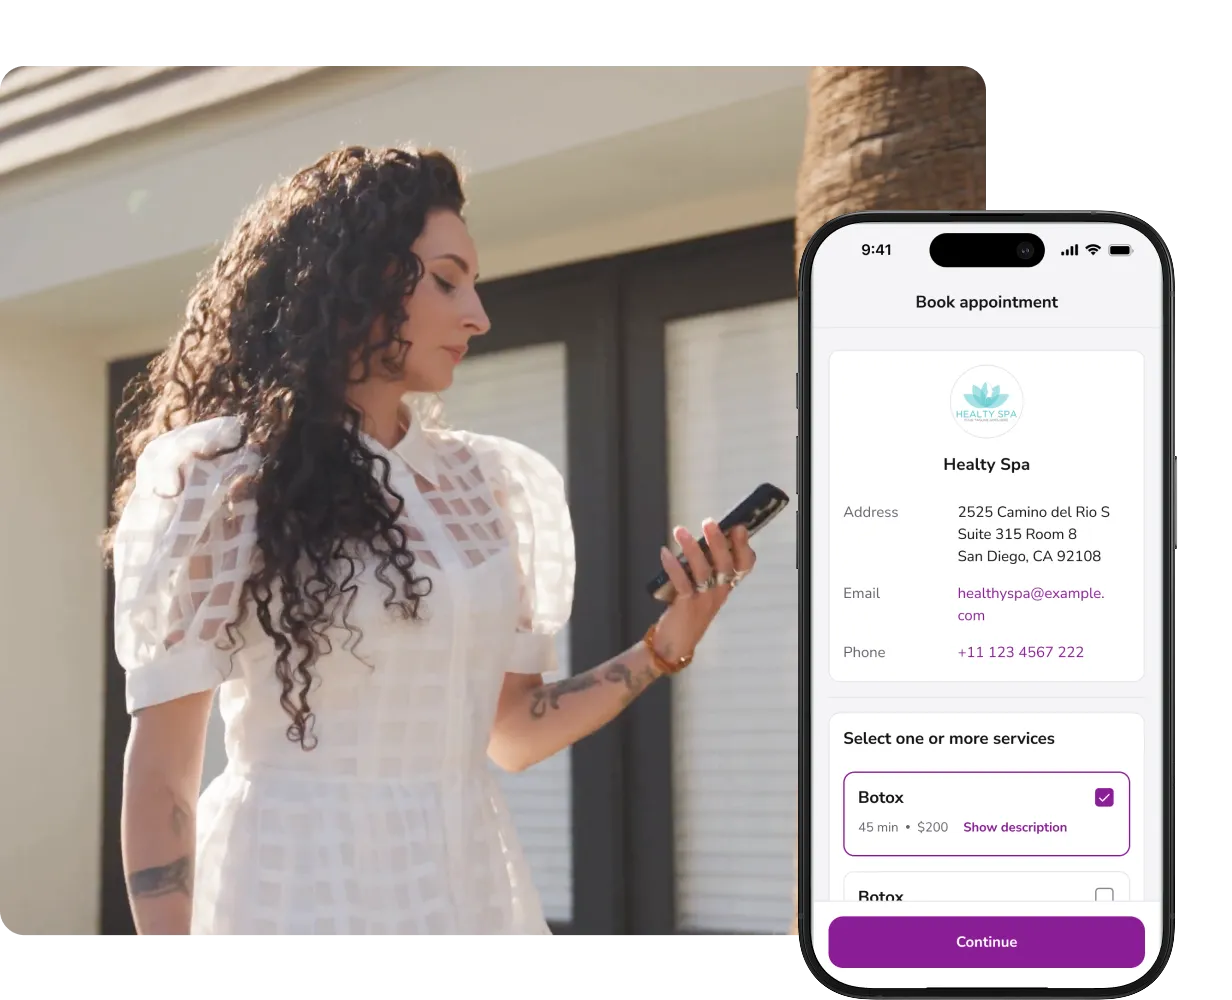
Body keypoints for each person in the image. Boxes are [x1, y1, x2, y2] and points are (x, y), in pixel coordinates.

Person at [103, 145, 757, 936]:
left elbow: (511, 735)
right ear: (357, 278)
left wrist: (667, 642)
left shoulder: (495, 485)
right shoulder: (225, 478)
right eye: (447, 280)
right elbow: (164, 777)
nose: (477, 314)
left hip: (463, 883)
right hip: (291, 885)